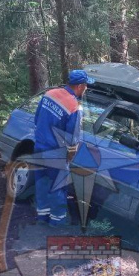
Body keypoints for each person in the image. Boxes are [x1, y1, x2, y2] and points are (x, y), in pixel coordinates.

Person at [33, 69, 94, 225]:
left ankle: (42, 216)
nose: (86, 88)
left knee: (41, 183)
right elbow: (73, 139)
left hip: (39, 148)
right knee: (58, 187)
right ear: (80, 86)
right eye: (86, 85)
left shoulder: (50, 94)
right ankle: (57, 221)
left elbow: (36, 118)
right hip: (55, 153)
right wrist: (69, 158)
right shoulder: (74, 107)